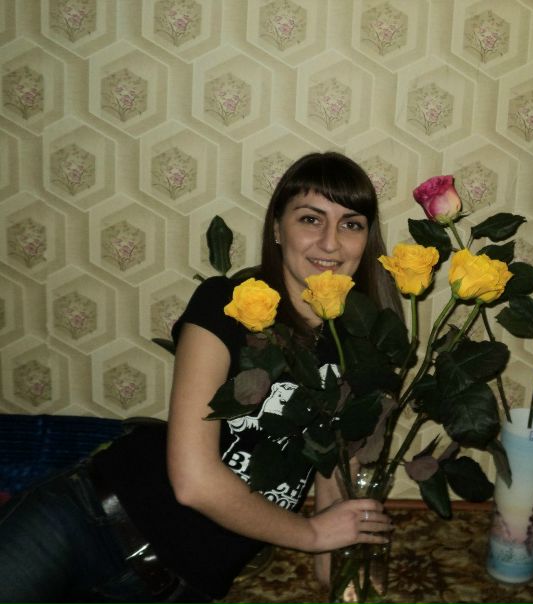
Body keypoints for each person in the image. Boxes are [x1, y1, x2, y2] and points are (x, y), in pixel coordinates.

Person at [0, 151, 401, 604]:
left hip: (172, 592)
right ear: (276, 229)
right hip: (82, 522)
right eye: (310, 219)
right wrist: (310, 534)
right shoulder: (226, 304)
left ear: (366, 240)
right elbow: (194, 481)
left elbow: (334, 499)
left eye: (351, 224)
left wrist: (352, 574)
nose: (330, 243)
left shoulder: (364, 356)